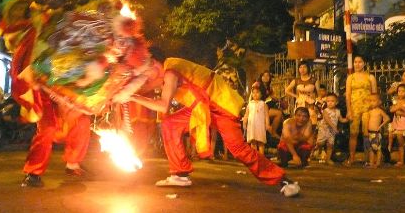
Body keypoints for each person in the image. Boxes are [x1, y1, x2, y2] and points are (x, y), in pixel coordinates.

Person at [127, 57, 300, 197]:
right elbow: (150, 88)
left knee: (239, 150)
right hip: (202, 108)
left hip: (221, 106)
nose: (147, 80)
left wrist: (133, 97)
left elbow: (163, 105)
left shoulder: (170, 71)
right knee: (170, 124)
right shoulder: (166, 72)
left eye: (146, 73)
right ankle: (179, 174)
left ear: (155, 65)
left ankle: (283, 179)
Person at [345, 55, 377, 166]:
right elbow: (348, 95)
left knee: (366, 134)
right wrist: (349, 110)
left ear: (364, 63)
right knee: (353, 133)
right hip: (354, 108)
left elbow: (374, 95)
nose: (357, 64)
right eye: (355, 62)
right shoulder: (350, 77)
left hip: (368, 108)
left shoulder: (370, 77)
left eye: (360, 62)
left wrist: (374, 109)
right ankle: (352, 157)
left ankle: (367, 159)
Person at [314, 93, 348, 165]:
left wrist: (347, 119)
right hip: (324, 129)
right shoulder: (325, 111)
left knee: (330, 145)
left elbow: (341, 120)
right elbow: (327, 120)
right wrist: (334, 127)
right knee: (320, 143)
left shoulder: (338, 111)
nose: (330, 103)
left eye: (332, 101)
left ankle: (328, 159)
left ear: (336, 102)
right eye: (328, 101)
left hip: (332, 131)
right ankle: (316, 149)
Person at [285, 62, 320, 130]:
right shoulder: (296, 80)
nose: (302, 69)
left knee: (311, 119)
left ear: (308, 68)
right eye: (300, 67)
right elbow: (287, 90)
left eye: (304, 67)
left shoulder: (314, 80)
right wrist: (296, 96)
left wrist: (317, 101)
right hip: (300, 102)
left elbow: (319, 93)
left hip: (311, 102)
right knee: (299, 120)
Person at [242, 83, 270, 155]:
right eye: (253, 93)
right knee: (253, 142)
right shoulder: (250, 104)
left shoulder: (263, 104)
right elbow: (246, 114)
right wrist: (244, 123)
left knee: (261, 142)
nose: (255, 94)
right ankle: (254, 158)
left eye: (257, 92)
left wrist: (267, 124)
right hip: (252, 126)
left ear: (261, 94)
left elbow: (267, 115)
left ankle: (261, 159)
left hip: (260, 126)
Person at [365, 93, 390, 168]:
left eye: (374, 101)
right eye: (370, 101)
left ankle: (378, 163)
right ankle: (371, 163)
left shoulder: (380, 111)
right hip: (370, 132)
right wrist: (366, 130)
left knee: (378, 149)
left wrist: (380, 126)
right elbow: (366, 122)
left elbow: (387, 118)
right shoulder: (369, 111)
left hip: (376, 133)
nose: (372, 102)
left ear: (379, 102)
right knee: (371, 149)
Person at [257, 71, 283, 138]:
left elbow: (273, 97)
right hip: (258, 108)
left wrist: (279, 100)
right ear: (261, 77)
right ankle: (273, 133)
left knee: (280, 113)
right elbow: (253, 96)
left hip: (264, 107)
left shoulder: (268, 87)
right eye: (264, 76)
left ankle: (274, 132)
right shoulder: (257, 85)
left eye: (267, 76)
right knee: (278, 113)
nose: (266, 77)